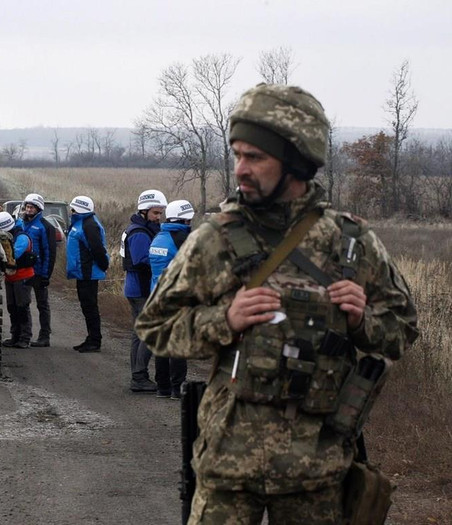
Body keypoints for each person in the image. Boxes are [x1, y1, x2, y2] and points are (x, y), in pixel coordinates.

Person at [135, 84, 418, 524]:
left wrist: (363, 320)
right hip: (228, 467)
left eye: (255, 157)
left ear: (296, 161)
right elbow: (154, 325)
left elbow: (403, 328)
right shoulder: (216, 239)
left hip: (317, 472)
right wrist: (223, 320)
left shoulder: (350, 242)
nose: (240, 169)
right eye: (237, 155)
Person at [122, 189, 167, 392]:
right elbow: (142, 260)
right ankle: (139, 377)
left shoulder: (142, 229)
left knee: (138, 334)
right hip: (140, 289)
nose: (159, 217)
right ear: (144, 211)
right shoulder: (139, 233)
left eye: (160, 213)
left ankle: (138, 375)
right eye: (156, 213)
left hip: (135, 288)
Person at [148, 199, 194, 398]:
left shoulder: (159, 237)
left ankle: (163, 387)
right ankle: (177, 388)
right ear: (185, 220)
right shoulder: (182, 239)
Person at [65, 195, 109, 352]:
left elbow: (97, 249)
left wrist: (104, 265)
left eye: (73, 208)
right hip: (82, 273)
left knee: (90, 307)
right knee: (86, 307)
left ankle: (95, 340)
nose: (71, 211)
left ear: (79, 209)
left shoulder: (89, 225)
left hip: (88, 273)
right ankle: (91, 338)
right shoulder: (81, 222)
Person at [0, 211, 35, 349]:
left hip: (22, 277)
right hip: (11, 277)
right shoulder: (11, 236)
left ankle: (25, 337)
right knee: (12, 307)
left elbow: (13, 256)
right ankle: (15, 335)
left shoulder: (21, 238)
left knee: (22, 307)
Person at [21, 193, 55, 348]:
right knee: (23, 303)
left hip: (39, 272)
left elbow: (49, 252)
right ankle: (23, 335)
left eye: (31, 207)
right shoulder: (21, 224)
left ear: (38, 209)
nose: (28, 210)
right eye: (27, 207)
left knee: (42, 305)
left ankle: (44, 336)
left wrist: (46, 274)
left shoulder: (45, 226)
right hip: (24, 271)